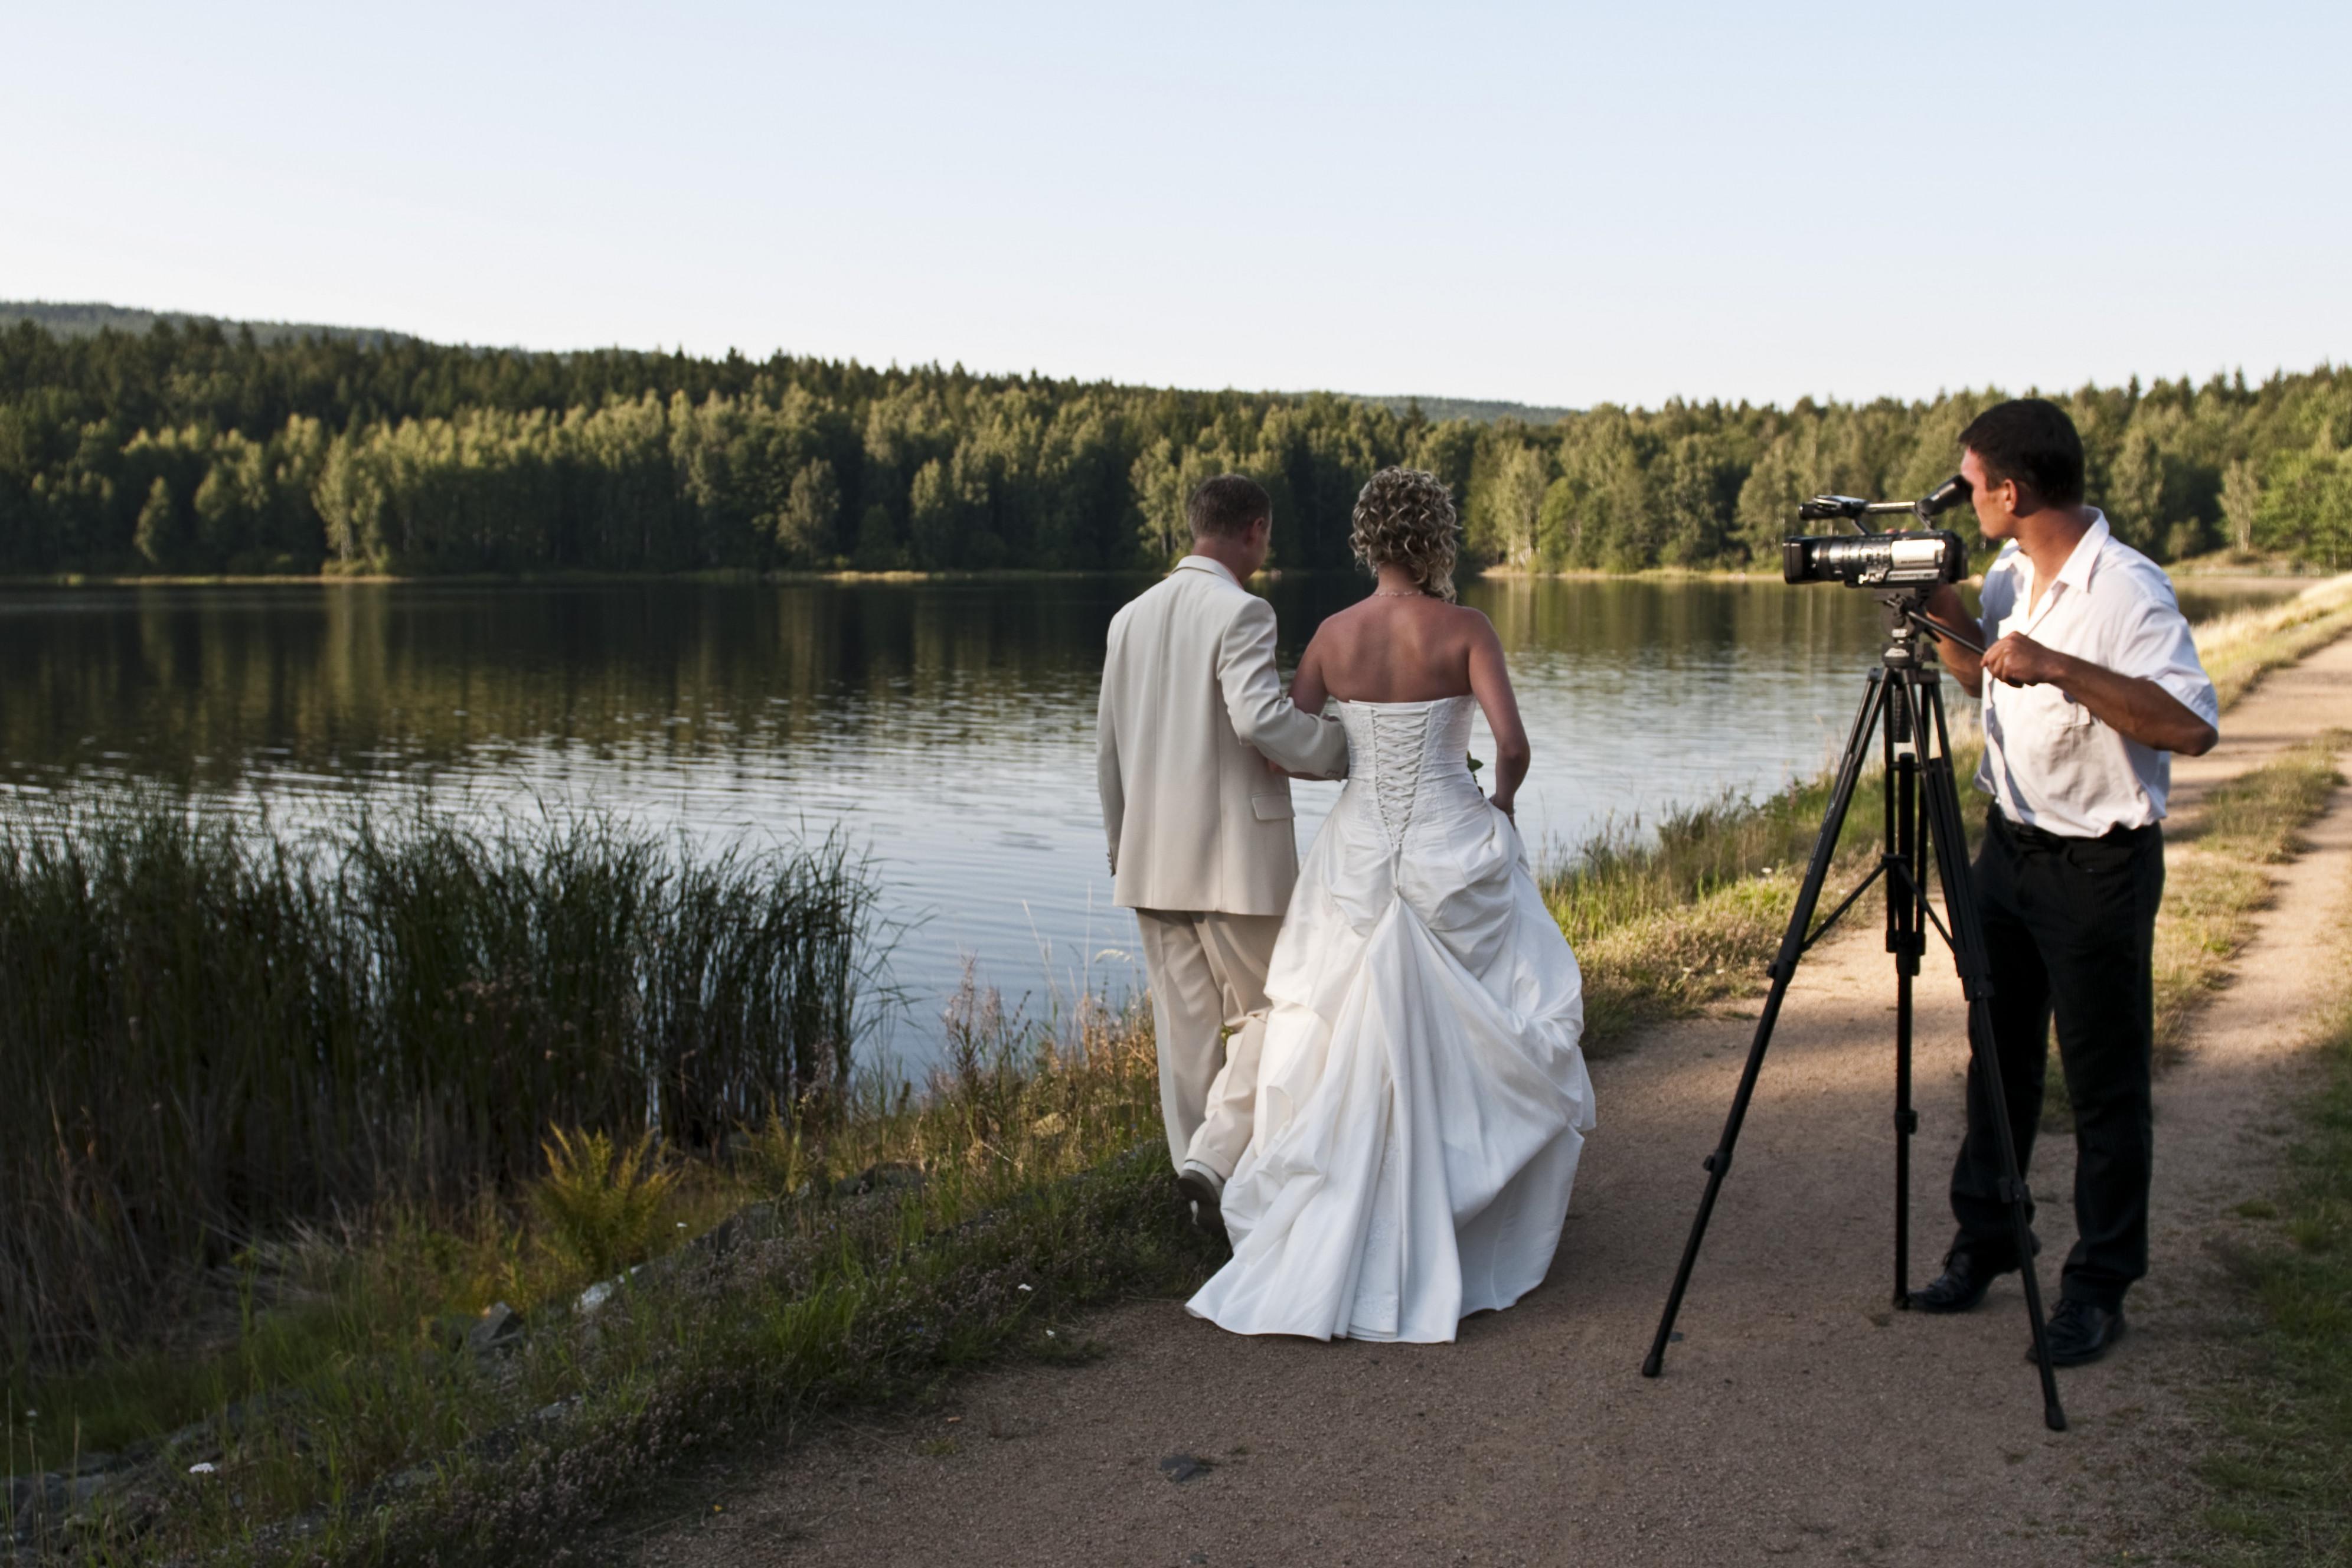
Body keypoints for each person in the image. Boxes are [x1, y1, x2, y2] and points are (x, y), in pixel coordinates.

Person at [1185, 467, 1595, 1342]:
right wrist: (1502, 807)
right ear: (1436, 538)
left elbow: (1287, 749)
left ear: (1367, 541)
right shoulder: (1467, 628)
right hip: (1453, 839)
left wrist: (1355, 761)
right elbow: (1513, 748)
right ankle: (1456, 1210)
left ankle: (1336, 1210)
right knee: (1478, 1024)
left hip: (1359, 854)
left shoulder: (1334, 635)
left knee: (1336, 1030)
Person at [1913, 398, 2219, 1367]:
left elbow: (2187, 725)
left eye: (1969, 484)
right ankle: (1989, 1239)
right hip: (2008, 848)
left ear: (2011, 491)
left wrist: (2056, 663)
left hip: (2096, 865)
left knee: (2101, 1083)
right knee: (1994, 1063)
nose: (1962, 496)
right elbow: (1976, 676)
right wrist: (1930, 607)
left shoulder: (2124, 589)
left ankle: (2097, 1284)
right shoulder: (2011, 572)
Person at [1096, 473, 1350, 1221]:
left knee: (1186, 1039)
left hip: (1147, 860)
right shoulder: (1243, 611)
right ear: (1255, 530)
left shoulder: (1128, 618)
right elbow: (1260, 719)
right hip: (1235, 859)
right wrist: (1341, 751)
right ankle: (1221, 1161)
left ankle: (1200, 1195)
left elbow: (1106, 751)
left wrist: (1123, 846)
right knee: (1275, 1010)